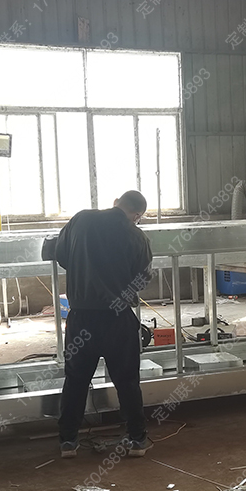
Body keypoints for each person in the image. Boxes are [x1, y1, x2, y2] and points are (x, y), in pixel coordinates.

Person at [53, 190, 153, 459]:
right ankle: (137, 439)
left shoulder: (81, 219)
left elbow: (62, 256)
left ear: (115, 203)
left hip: (81, 317)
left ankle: (68, 441)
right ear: (137, 215)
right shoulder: (137, 237)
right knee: (127, 381)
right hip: (117, 319)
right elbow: (143, 278)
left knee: (76, 380)